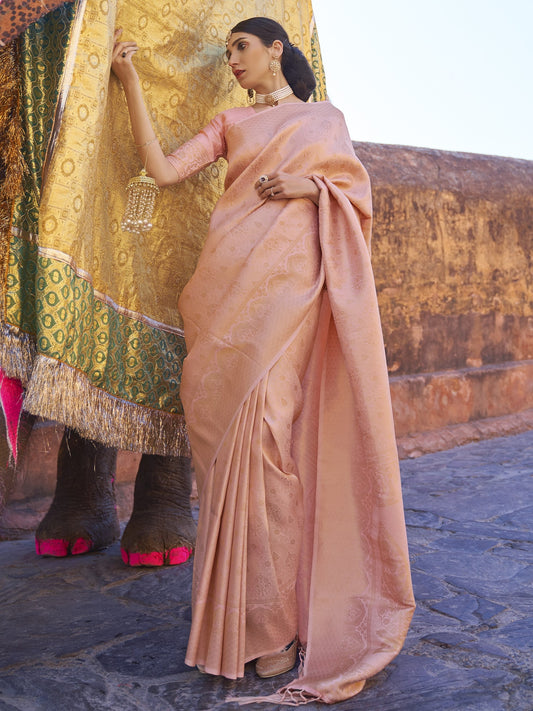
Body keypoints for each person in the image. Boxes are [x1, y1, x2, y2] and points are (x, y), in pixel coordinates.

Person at [112, 16, 415, 706]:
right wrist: (129, 80)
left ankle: (276, 627)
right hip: (226, 294)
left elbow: (356, 196)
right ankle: (242, 625)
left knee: (271, 448)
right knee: (228, 463)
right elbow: (163, 170)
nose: (234, 61)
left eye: (242, 48)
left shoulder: (324, 119)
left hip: (290, 291)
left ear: (276, 48)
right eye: (227, 54)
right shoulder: (230, 122)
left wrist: (313, 189)